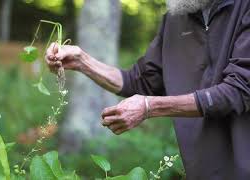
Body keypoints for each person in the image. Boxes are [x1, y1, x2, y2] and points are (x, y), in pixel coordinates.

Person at [45, 0, 250, 179]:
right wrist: (83, 62)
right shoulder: (175, 18)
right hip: (201, 170)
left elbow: (239, 90)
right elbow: (140, 81)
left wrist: (149, 106)